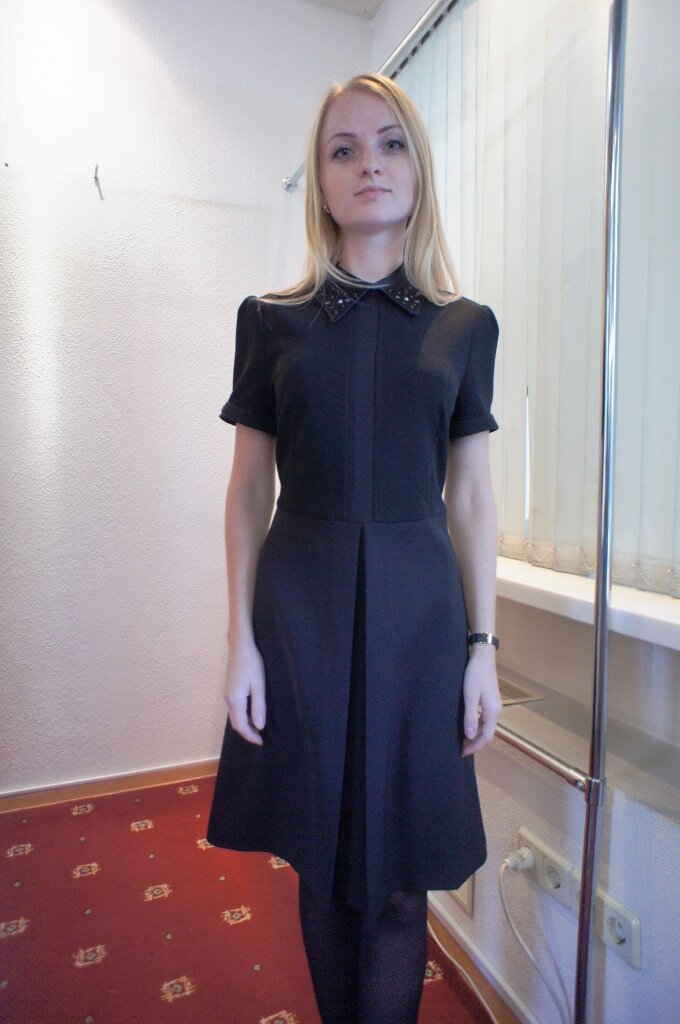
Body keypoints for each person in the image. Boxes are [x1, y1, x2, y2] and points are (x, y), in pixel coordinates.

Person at [207, 72, 502, 1024]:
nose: (368, 163)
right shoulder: (270, 320)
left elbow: (472, 498)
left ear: (418, 169)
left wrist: (483, 650)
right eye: (344, 149)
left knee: (400, 881)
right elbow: (249, 488)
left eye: (390, 142)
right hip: (302, 612)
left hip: (421, 625)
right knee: (325, 866)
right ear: (322, 181)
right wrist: (241, 643)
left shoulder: (466, 326)